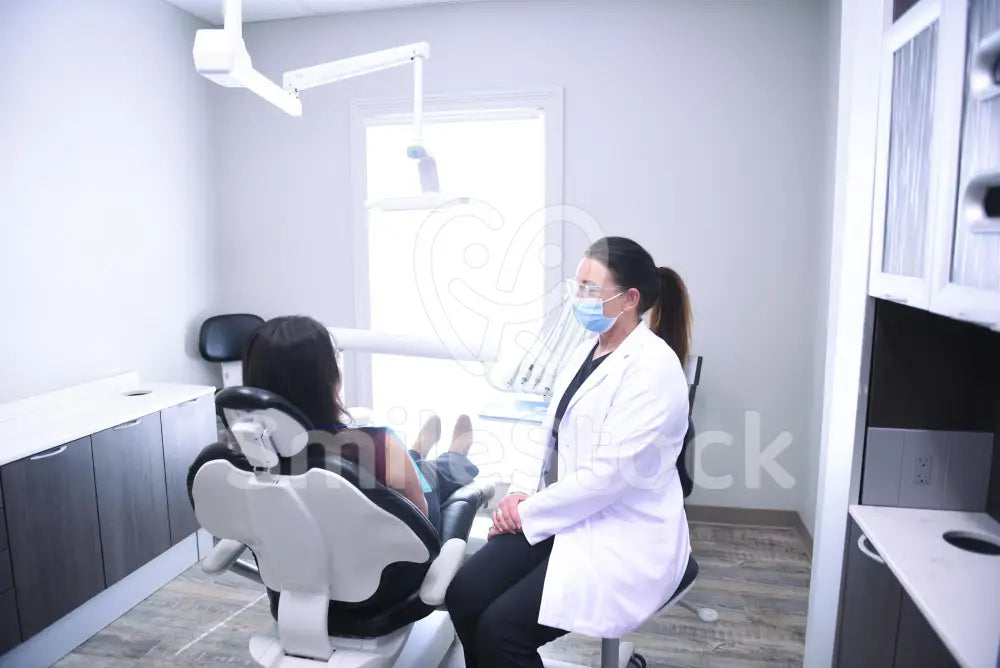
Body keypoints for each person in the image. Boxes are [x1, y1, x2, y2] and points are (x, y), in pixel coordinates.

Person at [445, 237, 693, 668]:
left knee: (501, 631)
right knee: (463, 595)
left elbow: (609, 478)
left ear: (630, 299)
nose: (578, 298)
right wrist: (519, 494)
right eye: (576, 286)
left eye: (590, 289)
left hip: (621, 533)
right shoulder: (585, 351)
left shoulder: (654, 368)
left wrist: (528, 511)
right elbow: (547, 433)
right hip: (564, 513)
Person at [187, 314, 480, 538]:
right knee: (437, 474)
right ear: (329, 377)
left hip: (306, 565)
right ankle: (455, 454)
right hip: (386, 567)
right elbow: (421, 517)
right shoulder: (373, 443)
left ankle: (416, 450)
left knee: (406, 465)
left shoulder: (251, 454)